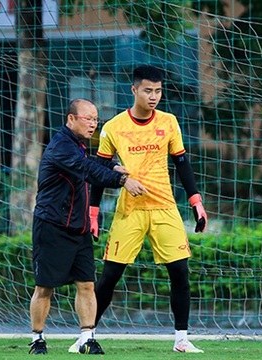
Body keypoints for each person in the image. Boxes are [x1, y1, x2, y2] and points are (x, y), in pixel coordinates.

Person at [87, 65, 208, 353]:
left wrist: (196, 203)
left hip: (165, 207)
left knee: (180, 271)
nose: (153, 96)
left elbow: (182, 163)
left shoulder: (169, 121)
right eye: (148, 91)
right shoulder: (114, 126)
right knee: (111, 275)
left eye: (158, 91)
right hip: (129, 210)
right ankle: (86, 335)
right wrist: (93, 213)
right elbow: (99, 169)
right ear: (134, 90)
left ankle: (181, 338)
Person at [29, 98, 147, 355]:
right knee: (45, 287)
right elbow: (86, 169)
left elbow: (92, 161)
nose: (94, 124)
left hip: (79, 227)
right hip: (51, 225)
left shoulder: (78, 145)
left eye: (96, 119)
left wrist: (113, 164)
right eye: (88, 118)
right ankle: (37, 339)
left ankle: (87, 337)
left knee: (86, 284)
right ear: (71, 119)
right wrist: (122, 179)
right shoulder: (61, 146)